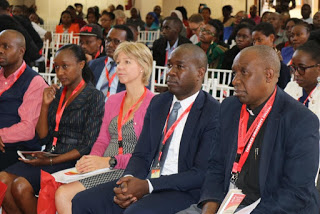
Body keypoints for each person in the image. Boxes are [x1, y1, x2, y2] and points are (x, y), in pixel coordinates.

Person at [71, 43, 220, 214]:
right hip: (145, 178)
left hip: (181, 190)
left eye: (180, 67)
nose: (170, 72)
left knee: (135, 212)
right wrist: (129, 179)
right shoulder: (159, 103)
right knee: (83, 201)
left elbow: (200, 173)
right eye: (170, 65)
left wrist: (147, 186)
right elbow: (141, 154)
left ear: (200, 73)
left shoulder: (212, 111)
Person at [182, 45, 319, 214]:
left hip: (272, 208)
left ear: (268, 75)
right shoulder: (229, 107)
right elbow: (216, 166)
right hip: (226, 203)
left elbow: (296, 193)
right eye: (234, 73)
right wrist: (209, 207)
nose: (235, 80)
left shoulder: (300, 120)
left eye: (244, 72)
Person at [0, 44, 105, 214]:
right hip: (49, 154)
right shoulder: (56, 94)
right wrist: (45, 105)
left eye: (65, 66)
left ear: (81, 64)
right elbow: (42, 136)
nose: (60, 72)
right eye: (56, 67)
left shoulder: (94, 96)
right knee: (2, 180)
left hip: (72, 160)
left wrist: (49, 161)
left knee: (20, 187)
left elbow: (87, 145)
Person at [55, 42, 154, 214]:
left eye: (127, 62)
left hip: (128, 169)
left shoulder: (154, 104)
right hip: (105, 165)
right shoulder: (114, 100)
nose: (119, 67)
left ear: (142, 67)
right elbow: (102, 139)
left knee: (64, 194)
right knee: (59, 189)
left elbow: (147, 155)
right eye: (118, 62)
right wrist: (91, 160)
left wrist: (108, 161)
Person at [0, 30, 47, 171]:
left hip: (17, 149)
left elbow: (28, 129)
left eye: (5, 46)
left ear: (21, 51)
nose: (0, 51)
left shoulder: (34, 81)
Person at [89, 25, 134, 100]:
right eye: (108, 40)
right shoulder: (93, 65)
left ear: (128, 44)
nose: (109, 45)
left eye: (116, 42)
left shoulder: (134, 69)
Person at [285, 40, 320, 118]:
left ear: (318, 68)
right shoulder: (291, 87)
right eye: (294, 67)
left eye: (302, 68)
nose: (296, 73)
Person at [252, 22, 291, 89]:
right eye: (254, 41)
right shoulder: (250, 61)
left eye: (259, 40)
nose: (256, 44)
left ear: (271, 38)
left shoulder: (280, 66)